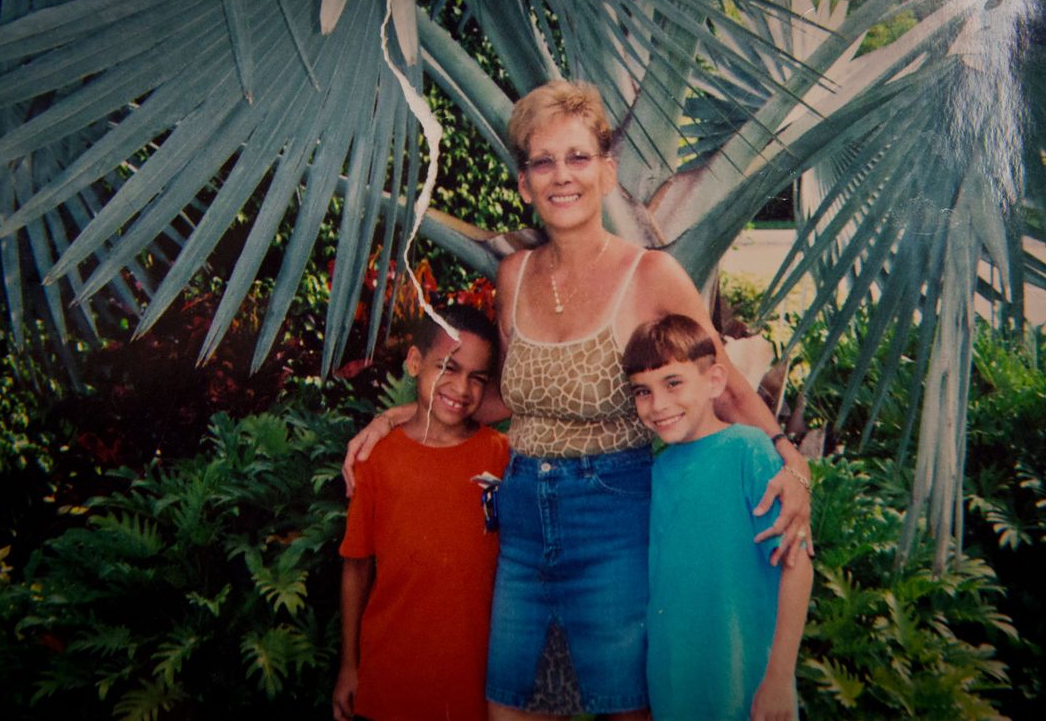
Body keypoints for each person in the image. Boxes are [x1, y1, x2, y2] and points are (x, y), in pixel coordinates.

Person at [343, 79, 813, 719]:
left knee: (625, 707)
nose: (561, 176)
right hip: (521, 522)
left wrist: (790, 459)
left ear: (607, 172)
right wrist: (408, 413)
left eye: (578, 157)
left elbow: (723, 384)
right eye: (543, 161)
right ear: (525, 183)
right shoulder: (514, 277)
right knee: (512, 707)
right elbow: (507, 398)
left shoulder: (651, 275)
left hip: (613, 517)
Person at [622, 314, 813, 721]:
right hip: (676, 684)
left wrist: (779, 677)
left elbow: (797, 567)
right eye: (642, 391)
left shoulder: (749, 450)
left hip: (747, 685)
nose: (659, 405)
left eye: (674, 383)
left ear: (714, 381)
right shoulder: (656, 471)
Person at [332, 305, 510, 721]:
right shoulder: (375, 459)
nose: (461, 388)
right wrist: (348, 666)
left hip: (474, 681)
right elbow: (356, 566)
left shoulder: (500, 455)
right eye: (448, 367)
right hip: (390, 677)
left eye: (477, 378)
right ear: (414, 362)